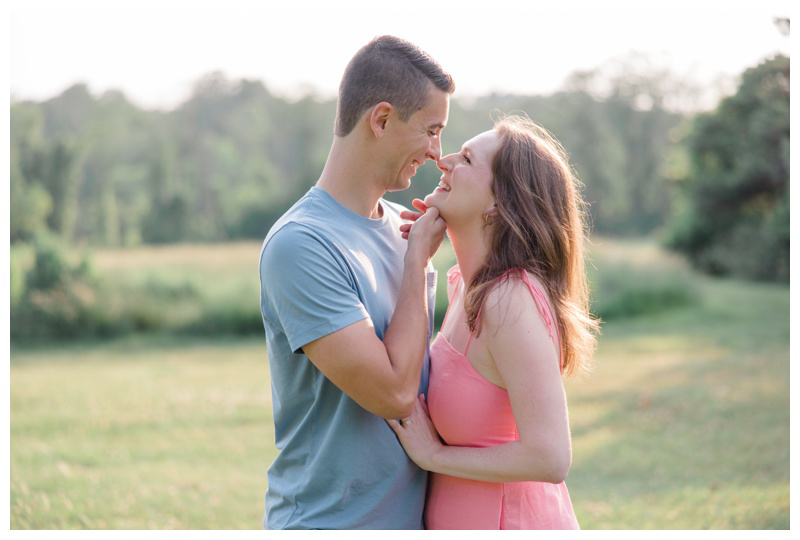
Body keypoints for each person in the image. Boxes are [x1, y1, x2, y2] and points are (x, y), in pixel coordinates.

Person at [258, 36, 454, 529]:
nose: (437, 153)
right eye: (431, 131)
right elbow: (392, 394)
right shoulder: (301, 245)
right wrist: (416, 266)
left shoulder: (401, 228)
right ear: (382, 120)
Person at [388, 114, 600, 529]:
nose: (444, 160)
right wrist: (418, 257)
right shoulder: (464, 287)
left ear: (500, 203)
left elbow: (551, 456)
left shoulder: (508, 300)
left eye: (466, 159)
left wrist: (434, 456)